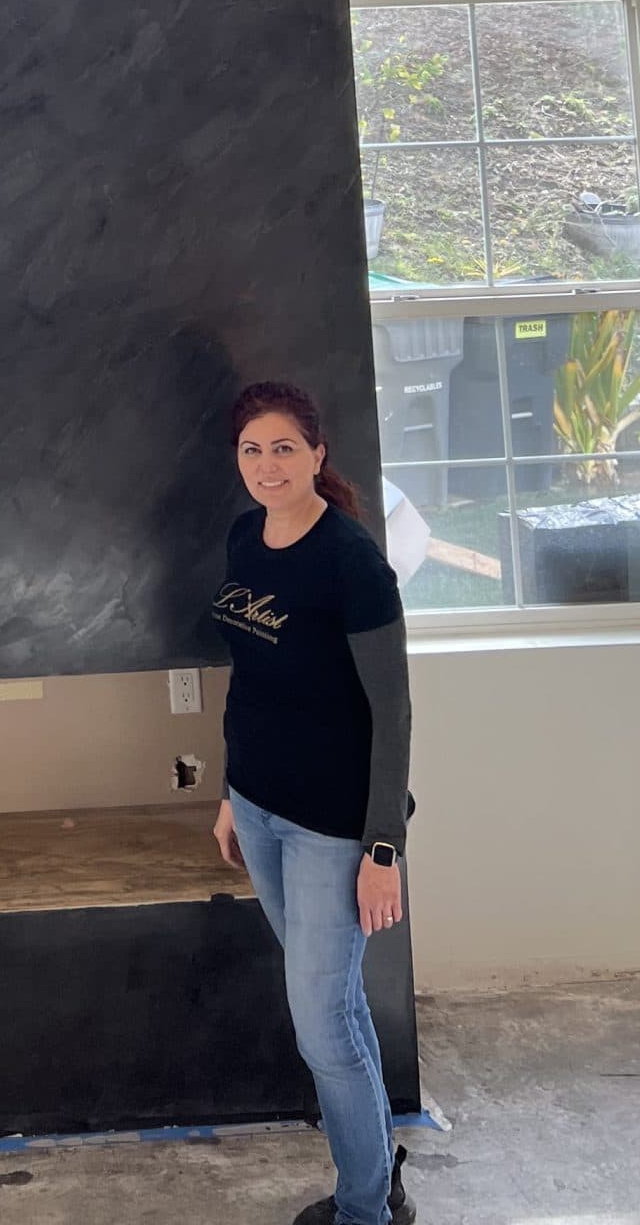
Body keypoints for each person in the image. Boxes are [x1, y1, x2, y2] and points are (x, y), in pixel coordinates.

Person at [210, 380, 416, 1225]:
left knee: (322, 1025)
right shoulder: (244, 537)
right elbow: (251, 682)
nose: (268, 465)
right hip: (258, 809)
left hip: (332, 828)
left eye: (284, 448)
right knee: (335, 1009)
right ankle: (378, 1176)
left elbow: (393, 712)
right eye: (252, 449)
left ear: (317, 455)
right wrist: (231, 791)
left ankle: (365, 1211)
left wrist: (383, 848)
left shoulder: (352, 562)